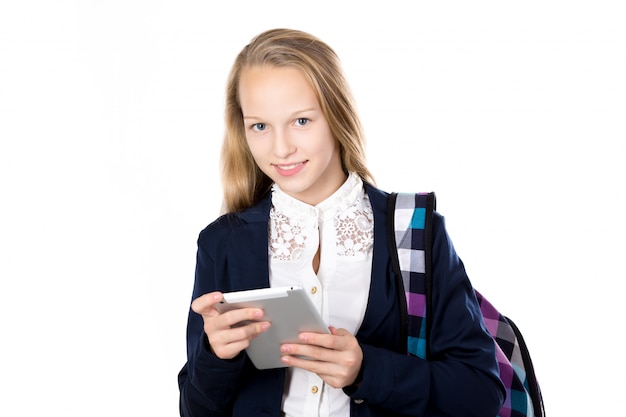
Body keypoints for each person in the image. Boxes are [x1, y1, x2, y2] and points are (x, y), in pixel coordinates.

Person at [178, 28, 505, 417]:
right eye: (260, 126)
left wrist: (366, 370)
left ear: (335, 114)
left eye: (301, 121)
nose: (281, 148)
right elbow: (194, 410)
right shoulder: (222, 243)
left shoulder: (415, 231)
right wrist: (216, 356)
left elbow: (481, 393)